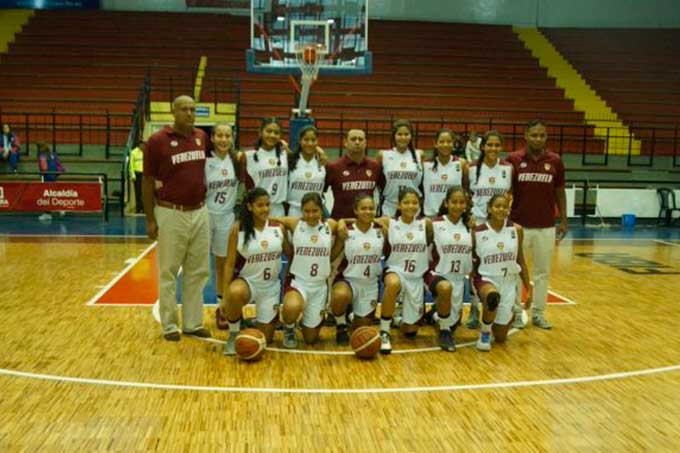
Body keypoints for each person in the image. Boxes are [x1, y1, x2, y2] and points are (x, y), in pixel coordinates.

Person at [142, 95, 211, 342]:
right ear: (173, 112)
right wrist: (150, 218)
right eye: (184, 109)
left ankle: (193, 323)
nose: (189, 113)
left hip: (200, 211)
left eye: (193, 109)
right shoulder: (157, 141)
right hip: (170, 211)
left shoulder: (202, 137)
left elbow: (224, 157)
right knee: (169, 270)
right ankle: (169, 324)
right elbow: (147, 181)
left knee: (198, 270)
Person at [505, 120, 568, 329]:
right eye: (534, 135)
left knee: (542, 272)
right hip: (518, 226)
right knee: (514, 271)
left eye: (542, 135)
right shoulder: (513, 159)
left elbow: (560, 192)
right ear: (526, 135)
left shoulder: (555, 161)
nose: (538, 139)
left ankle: (539, 313)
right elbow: (506, 194)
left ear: (546, 137)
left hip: (545, 226)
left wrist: (564, 220)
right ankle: (515, 313)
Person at [222, 188, 290, 355]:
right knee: (234, 292)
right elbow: (229, 264)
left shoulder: (278, 228)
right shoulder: (238, 230)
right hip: (248, 283)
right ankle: (233, 332)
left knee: (266, 339)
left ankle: (257, 322)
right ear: (250, 207)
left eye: (267, 205)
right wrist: (224, 296)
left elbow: (291, 254)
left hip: (271, 288)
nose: (265, 209)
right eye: (260, 205)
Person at [277, 193, 340, 348]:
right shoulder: (295, 223)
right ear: (301, 211)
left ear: (321, 210)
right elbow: (274, 221)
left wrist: (344, 223)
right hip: (298, 282)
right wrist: (284, 241)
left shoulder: (330, 225)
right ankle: (289, 328)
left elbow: (342, 225)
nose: (311, 215)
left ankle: (310, 320)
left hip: (319, 286)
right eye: (306, 211)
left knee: (310, 339)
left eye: (315, 211)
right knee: (291, 307)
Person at [376, 187, 433, 354]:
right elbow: (364, 217)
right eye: (406, 202)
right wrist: (342, 222)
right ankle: (384, 331)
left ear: (420, 204)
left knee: (410, 331)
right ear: (399, 205)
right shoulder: (389, 223)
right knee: (393, 284)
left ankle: (401, 319)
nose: (411, 206)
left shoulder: (426, 224)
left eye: (414, 202)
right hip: (395, 270)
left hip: (416, 278)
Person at [472, 194, 532, 351]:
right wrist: (471, 283)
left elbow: (520, 260)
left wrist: (528, 288)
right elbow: (472, 260)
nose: (501, 209)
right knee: (492, 297)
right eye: (497, 206)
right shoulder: (477, 232)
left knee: (500, 337)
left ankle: (501, 318)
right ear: (489, 209)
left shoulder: (516, 230)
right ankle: (484, 333)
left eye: (505, 206)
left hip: (508, 281)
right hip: (486, 278)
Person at [466, 131, 513, 329]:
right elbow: (466, 194)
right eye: (489, 145)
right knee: (475, 268)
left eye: (497, 145)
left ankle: (512, 309)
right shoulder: (471, 168)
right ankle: (475, 309)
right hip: (478, 224)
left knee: (504, 265)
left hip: (500, 224)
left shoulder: (508, 168)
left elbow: (510, 195)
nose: (493, 149)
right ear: (482, 147)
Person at [331, 194, 385, 343]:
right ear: (355, 210)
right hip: (348, 280)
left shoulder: (382, 230)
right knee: (340, 296)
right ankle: (341, 324)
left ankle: (352, 315)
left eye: (371, 208)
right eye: (363, 208)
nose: (367, 212)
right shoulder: (347, 231)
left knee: (361, 334)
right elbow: (333, 255)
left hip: (370, 284)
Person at [426, 186, 474, 351]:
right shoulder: (435, 224)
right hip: (437, 273)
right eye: (454, 202)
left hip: (459, 278)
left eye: (462, 202)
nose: (458, 206)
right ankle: (444, 332)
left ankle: (434, 314)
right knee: (446, 288)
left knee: (454, 322)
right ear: (446, 203)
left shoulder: (470, 226)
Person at [205, 123, 240, 331]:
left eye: (227, 135)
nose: (223, 139)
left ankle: (222, 306)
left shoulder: (237, 159)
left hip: (226, 216)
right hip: (205, 215)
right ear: (212, 137)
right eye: (219, 135)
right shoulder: (204, 161)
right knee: (199, 264)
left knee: (222, 263)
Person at [324, 128, 382, 220]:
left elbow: (385, 193)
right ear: (345, 143)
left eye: (360, 139)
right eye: (353, 139)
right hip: (341, 225)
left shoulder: (375, 166)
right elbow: (319, 193)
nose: (357, 142)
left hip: (366, 224)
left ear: (365, 143)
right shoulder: (334, 167)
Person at [240, 117, 289, 217]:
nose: (272, 135)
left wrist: (319, 150)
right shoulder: (248, 156)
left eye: (276, 132)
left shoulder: (285, 154)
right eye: (268, 131)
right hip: (257, 209)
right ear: (260, 132)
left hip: (278, 209)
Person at [377, 119, 423, 217]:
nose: (403, 137)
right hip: (390, 206)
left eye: (406, 134)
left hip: (412, 206)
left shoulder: (419, 155)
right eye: (399, 134)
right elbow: (378, 182)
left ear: (411, 136)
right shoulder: (383, 155)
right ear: (394, 136)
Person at [422, 128, 468, 217]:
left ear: (453, 143)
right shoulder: (426, 164)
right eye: (442, 142)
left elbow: (465, 190)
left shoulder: (461, 163)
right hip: (431, 216)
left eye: (449, 142)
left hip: (454, 216)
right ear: (435, 144)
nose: (445, 145)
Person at [286, 125, 326, 217]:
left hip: (316, 212)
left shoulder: (322, 161)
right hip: (295, 210)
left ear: (317, 141)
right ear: (300, 141)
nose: (310, 143)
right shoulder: (290, 160)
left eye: (313, 140)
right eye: (306, 139)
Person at [36, 142, 65, 222]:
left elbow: (44, 168)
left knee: (47, 196)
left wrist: (41, 173)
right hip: (54, 176)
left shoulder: (42, 155)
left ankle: (47, 214)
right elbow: (60, 166)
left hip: (47, 177)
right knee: (54, 194)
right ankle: (61, 209)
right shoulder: (53, 154)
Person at [128, 140, 145, 214]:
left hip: (145, 174)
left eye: (144, 145)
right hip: (137, 174)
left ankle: (144, 209)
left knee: (144, 192)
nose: (143, 147)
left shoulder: (146, 152)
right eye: (141, 145)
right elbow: (131, 165)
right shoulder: (133, 152)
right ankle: (138, 208)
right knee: (138, 192)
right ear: (139, 145)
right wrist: (133, 175)